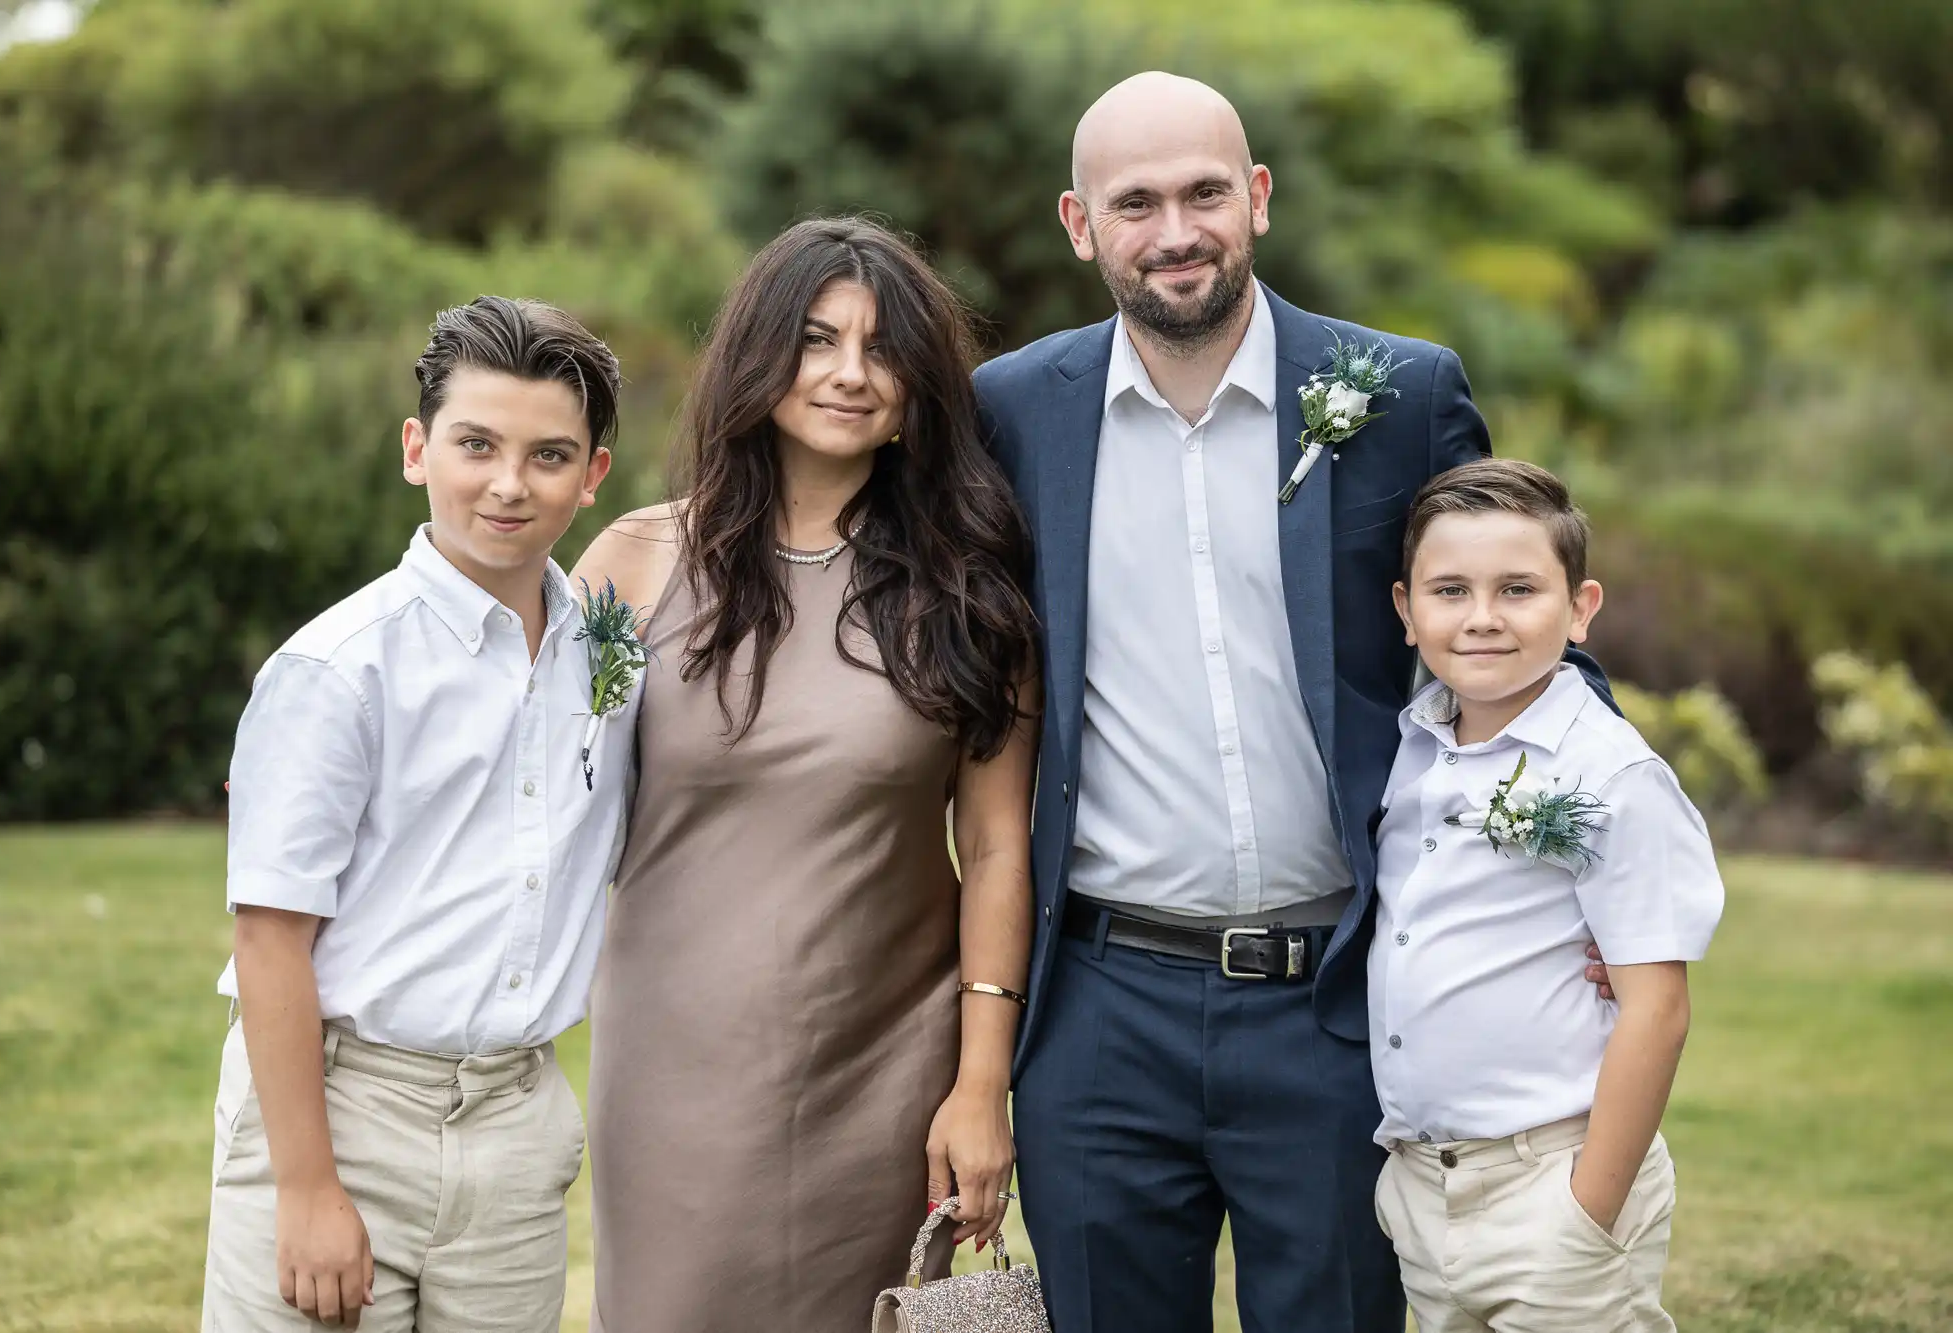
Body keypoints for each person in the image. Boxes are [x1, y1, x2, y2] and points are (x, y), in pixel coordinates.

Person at [971, 73, 1617, 1333]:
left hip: (1339, 992)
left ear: (1256, 198)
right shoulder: (1009, 411)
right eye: (1135, 202)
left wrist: (1588, 853)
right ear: (1077, 224)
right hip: (1098, 1002)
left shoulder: (1402, 393)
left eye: (1206, 192)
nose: (1175, 231)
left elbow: (1524, 632)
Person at [570, 216, 1041, 1332]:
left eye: (881, 350)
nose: (846, 374)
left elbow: (995, 849)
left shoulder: (970, 594)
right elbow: (538, 778)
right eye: (817, 339)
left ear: (920, 383)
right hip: (667, 1054)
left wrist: (980, 1085)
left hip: (884, 1060)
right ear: (756, 353)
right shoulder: (630, 565)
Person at [200, 296, 627, 1331]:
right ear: (415, 447)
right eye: (475, 444)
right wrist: (305, 1190)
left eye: (549, 454)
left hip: (516, 1123)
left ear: (594, 474)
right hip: (344, 1111)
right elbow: (268, 940)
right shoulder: (337, 670)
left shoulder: (612, 656)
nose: (508, 484)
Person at [1371, 459, 1722, 1332]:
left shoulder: (1613, 772)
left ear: (1580, 609)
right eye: (1450, 590)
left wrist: (1587, 1206)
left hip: (1553, 1174)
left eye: (1518, 588)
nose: (1483, 616)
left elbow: (1658, 1009)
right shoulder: (1408, 749)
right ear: (1406, 612)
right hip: (1422, 1182)